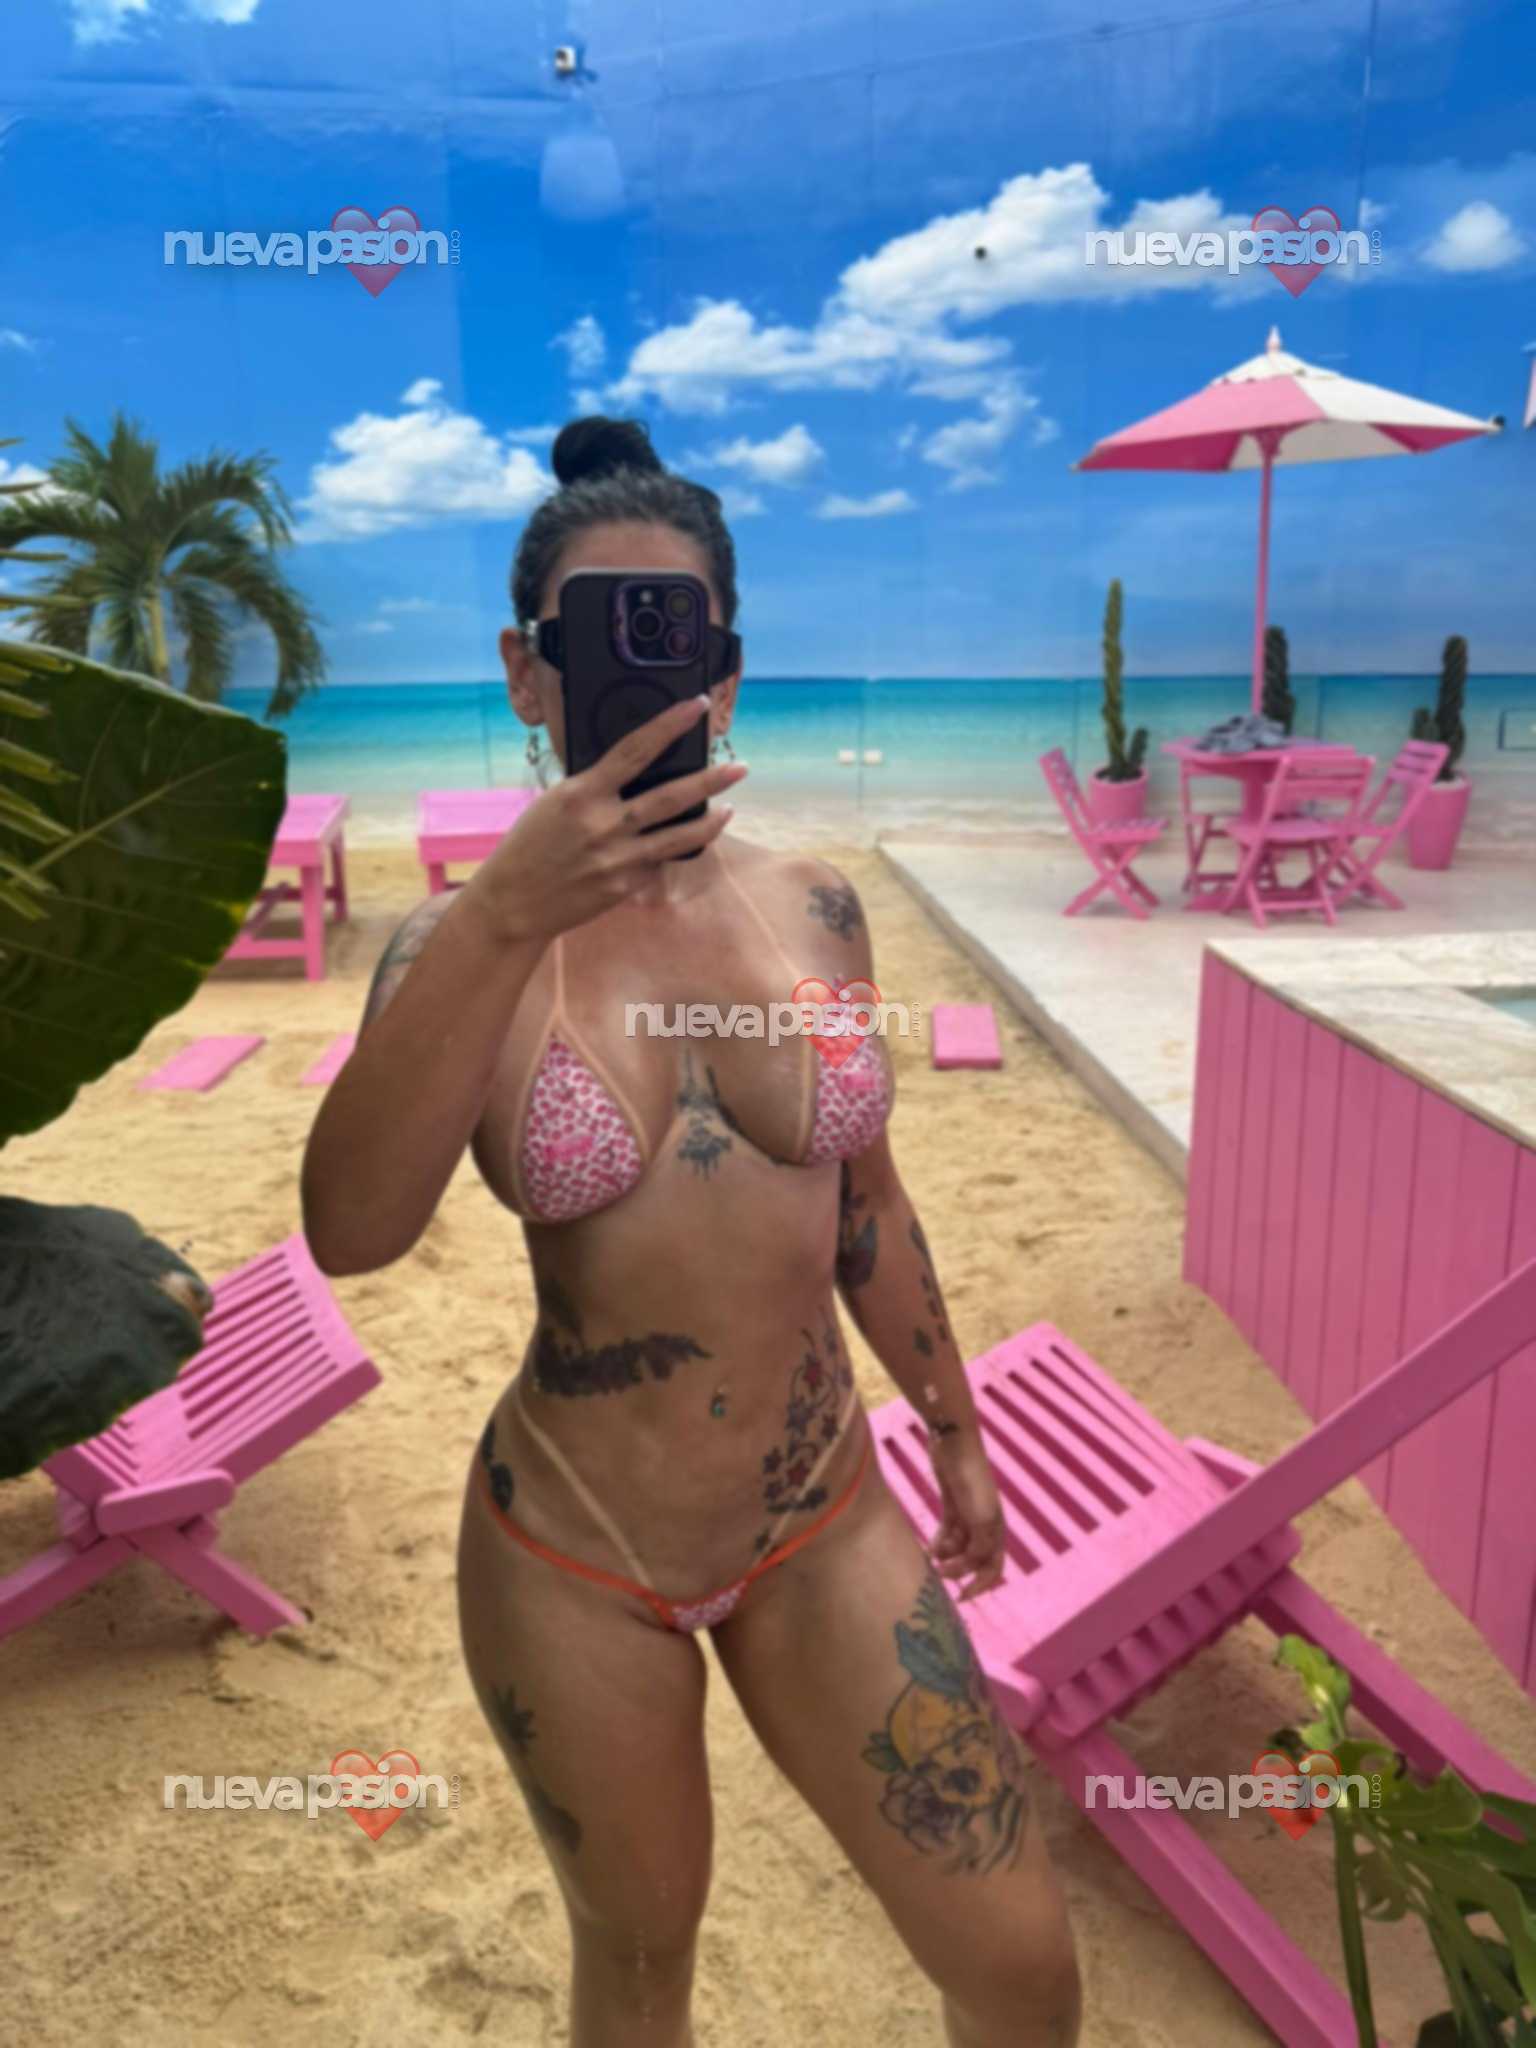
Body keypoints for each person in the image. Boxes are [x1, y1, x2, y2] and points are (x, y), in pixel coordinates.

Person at [301, 416, 1082, 2048]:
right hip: (576, 1551)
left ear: (727, 673)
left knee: (1019, 1964)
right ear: (528, 673)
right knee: (642, 1958)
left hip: (822, 1514)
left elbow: (866, 1201)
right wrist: (508, 915)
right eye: (599, 638)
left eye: (685, 640)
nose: (654, 676)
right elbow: (354, 1231)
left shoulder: (816, 910)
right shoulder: (459, 947)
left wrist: (954, 1427)